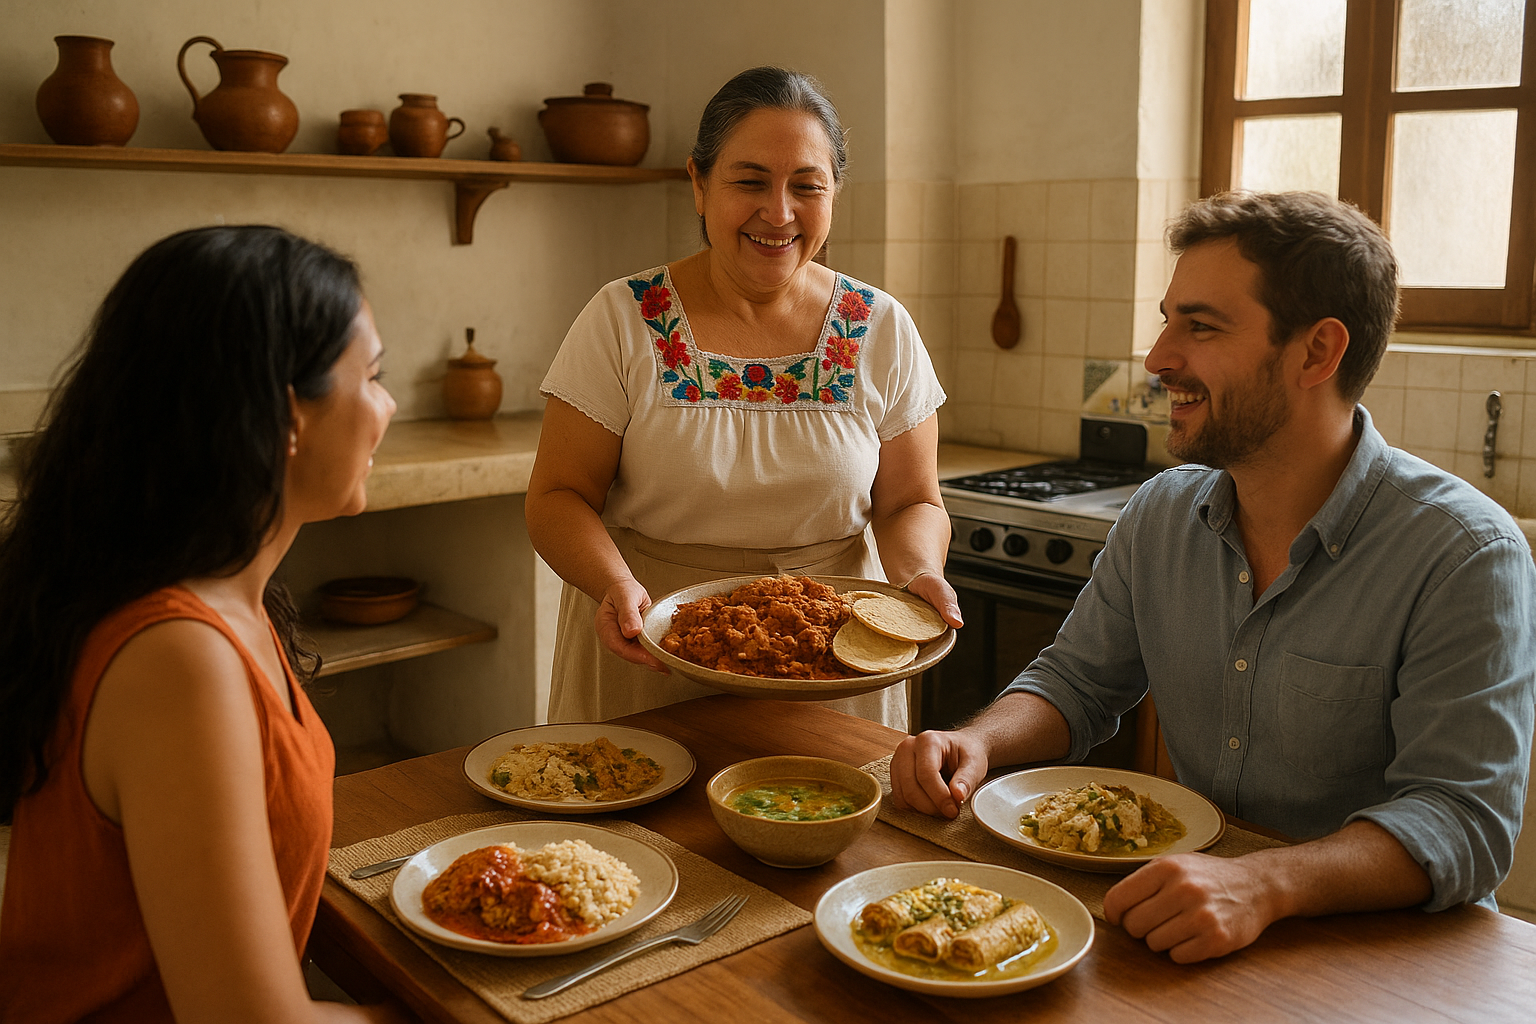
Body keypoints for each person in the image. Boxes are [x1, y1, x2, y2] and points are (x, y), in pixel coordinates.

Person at [890, 191, 1536, 963]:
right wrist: (978, 743)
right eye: (1168, 320)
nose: (1159, 357)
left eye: (1199, 326)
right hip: (1193, 923)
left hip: (1389, 959)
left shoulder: (1464, 553)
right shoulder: (1161, 512)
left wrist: (1265, 884)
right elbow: (1077, 682)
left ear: (1316, 353)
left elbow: (1464, 822)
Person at [0, 226, 405, 1022]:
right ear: (290, 412)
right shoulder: (178, 658)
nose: (390, 407)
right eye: (376, 375)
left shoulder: (224, 599)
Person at [526, 66, 959, 728]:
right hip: (655, 648)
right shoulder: (624, 318)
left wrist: (920, 574)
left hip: (835, 659)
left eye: (807, 187)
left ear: (835, 194)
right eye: (750, 181)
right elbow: (558, 497)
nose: (778, 213)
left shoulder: (880, 328)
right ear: (699, 185)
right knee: (638, 832)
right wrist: (614, 586)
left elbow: (909, 503)